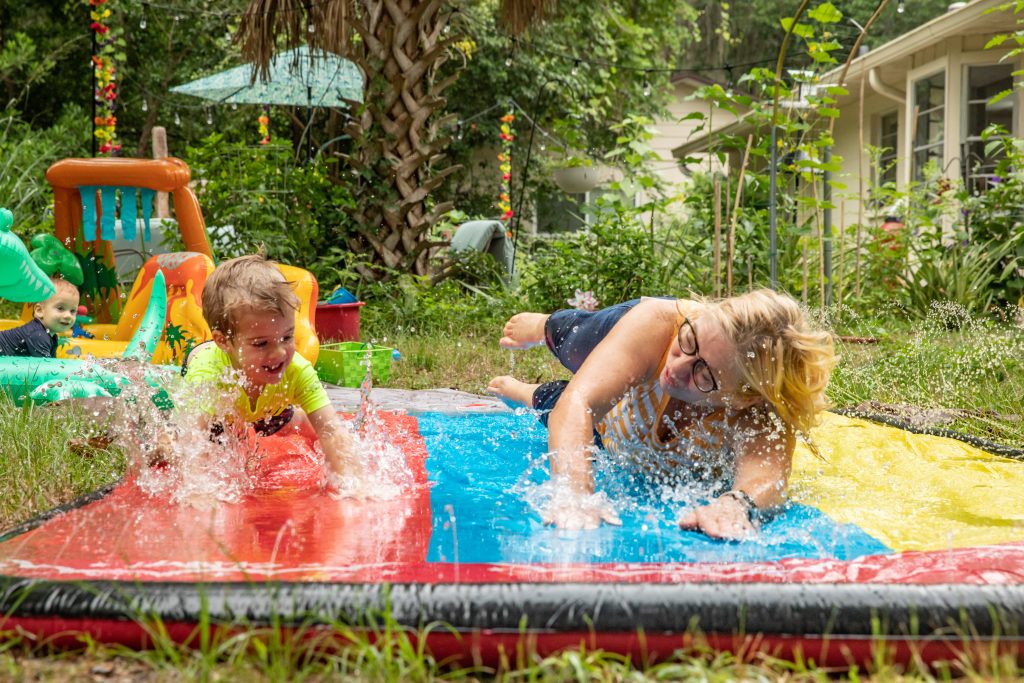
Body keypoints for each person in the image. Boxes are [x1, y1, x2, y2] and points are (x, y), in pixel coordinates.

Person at [487, 290, 836, 540]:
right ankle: (544, 326)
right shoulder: (659, 326)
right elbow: (579, 403)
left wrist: (735, 505)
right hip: (625, 332)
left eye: (703, 373)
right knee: (577, 344)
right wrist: (575, 496)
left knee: (575, 415)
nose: (678, 366)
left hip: (622, 424)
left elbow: (767, 479)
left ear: (741, 398)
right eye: (690, 340)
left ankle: (526, 392)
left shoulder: (758, 406)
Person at [180, 254, 360, 490]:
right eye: (261, 343)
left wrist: (352, 484)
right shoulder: (208, 376)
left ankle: (286, 416)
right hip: (219, 403)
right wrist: (199, 493)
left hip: (265, 400)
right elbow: (193, 441)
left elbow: (332, 433)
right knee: (204, 443)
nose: (279, 353)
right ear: (224, 341)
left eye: (287, 337)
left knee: (293, 424)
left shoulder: (296, 369)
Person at [0, 276, 79, 357]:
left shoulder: (51, 335)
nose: (68, 315)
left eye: (73, 311)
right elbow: (45, 367)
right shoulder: (39, 335)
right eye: (60, 308)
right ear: (39, 311)